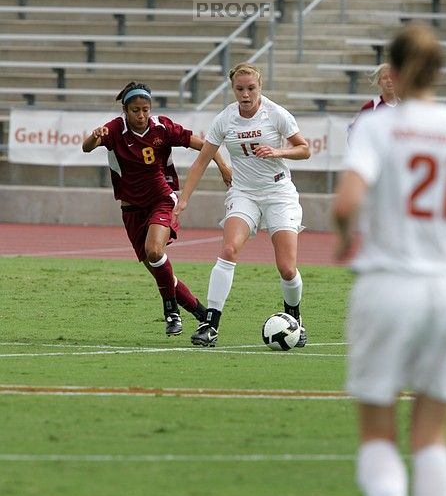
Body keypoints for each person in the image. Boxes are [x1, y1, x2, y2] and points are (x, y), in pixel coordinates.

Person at [333, 25, 446, 496]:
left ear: (393, 68)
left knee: (378, 428)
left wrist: (345, 239)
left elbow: (347, 202)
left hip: (389, 283)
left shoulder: (377, 125)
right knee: (432, 434)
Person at [171, 63, 311, 347]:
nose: (245, 94)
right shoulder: (225, 119)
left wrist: (278, 151)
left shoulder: (276, 114)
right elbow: (201, 160)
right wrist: (183, 199)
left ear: (260, 87)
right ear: (232, 89)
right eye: (239, 89)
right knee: (228, 249)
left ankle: (293, 317)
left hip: (278, 192)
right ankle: (210, 323)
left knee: (286, 268)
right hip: (243, 193)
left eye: (251, 88)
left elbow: (304, 149)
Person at [82, 81, 232, 338]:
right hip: (131, 211)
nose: (141, 115)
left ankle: (171, 312)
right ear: (125, 110)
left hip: (162, 200)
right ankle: (201, 315)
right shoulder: (116, 129)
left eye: (145, 109)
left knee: (154, 251)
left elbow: (204, 145)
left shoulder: (162, 127)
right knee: (161, 273)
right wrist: (94, 137)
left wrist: (222, 164)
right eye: (135, 110)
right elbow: (86, 147)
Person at [347, 63, 400, 141]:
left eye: (392, 77)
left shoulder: (406, 107)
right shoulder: (369, 108)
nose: (389, 80)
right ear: (379, 82)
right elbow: (353, 133)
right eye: (385, 78)